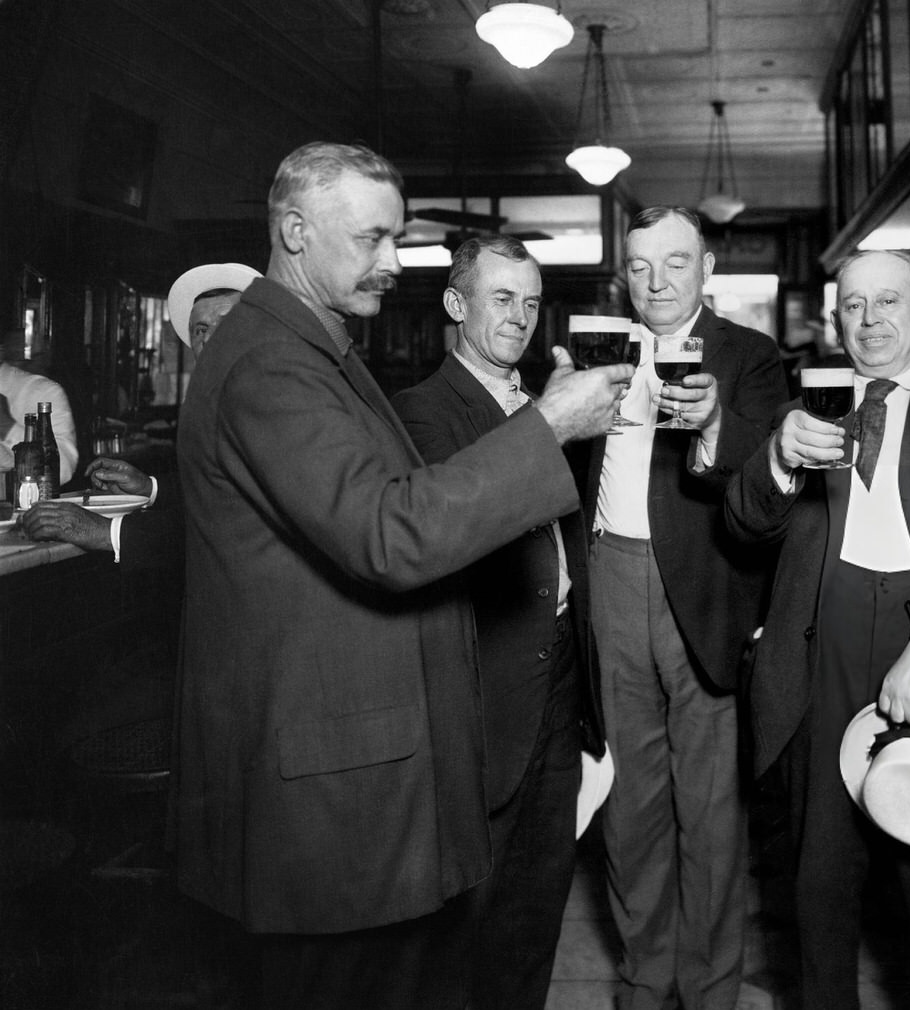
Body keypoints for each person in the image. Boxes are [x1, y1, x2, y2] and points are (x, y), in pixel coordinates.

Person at [173, 141, 630, 1010]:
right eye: (374, 238)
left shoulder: (312, 347)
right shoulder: (272, 362)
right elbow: (387, 532)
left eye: (397, 238)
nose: (394, 262)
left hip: (353, 763)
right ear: (296, 232)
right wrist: (547, 429)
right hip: (325, 781)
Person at [724, 250, 910, 1010]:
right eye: (853, 306)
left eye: (888, 301)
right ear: (833, 320)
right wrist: (778, 460)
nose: (870, 321)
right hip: (823, 643)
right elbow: (743, 525)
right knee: (819, 882)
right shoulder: (805, 405)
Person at [580, 205, 788, 1010]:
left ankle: (710, 993)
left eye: (676, 263)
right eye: (640, 266)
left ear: (706, 272)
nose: (657, 281)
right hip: (608, 578)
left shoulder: (752, 357)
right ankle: (642, 982)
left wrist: (714, 425)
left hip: (704, 593)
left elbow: (773, 478)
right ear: (623, 275)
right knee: (630, 810)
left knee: (709, 817)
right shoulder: (597, 348)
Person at [389, 234, 602, 1010]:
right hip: (486, 696)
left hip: (561, 686)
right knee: (468, 926)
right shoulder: (421, 411)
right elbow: (453, 545)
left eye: (531, 301)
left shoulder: (545, 401)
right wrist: (550, 420)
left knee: (537, 910)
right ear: (456, 305)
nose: (519, 316)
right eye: (500, 298)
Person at [16, 263, 259, 567]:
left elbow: (233, 521)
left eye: (225, 325)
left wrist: (106, 530)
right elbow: (215, 493)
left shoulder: (271, 408)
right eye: (201, 329)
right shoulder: (222, 401)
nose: (209, 340)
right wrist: (149, 487)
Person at [1, 331, 78, 486]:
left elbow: (62, 470)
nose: (26, 363)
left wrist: (8, 427)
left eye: (31, 357)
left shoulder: (42, 392)